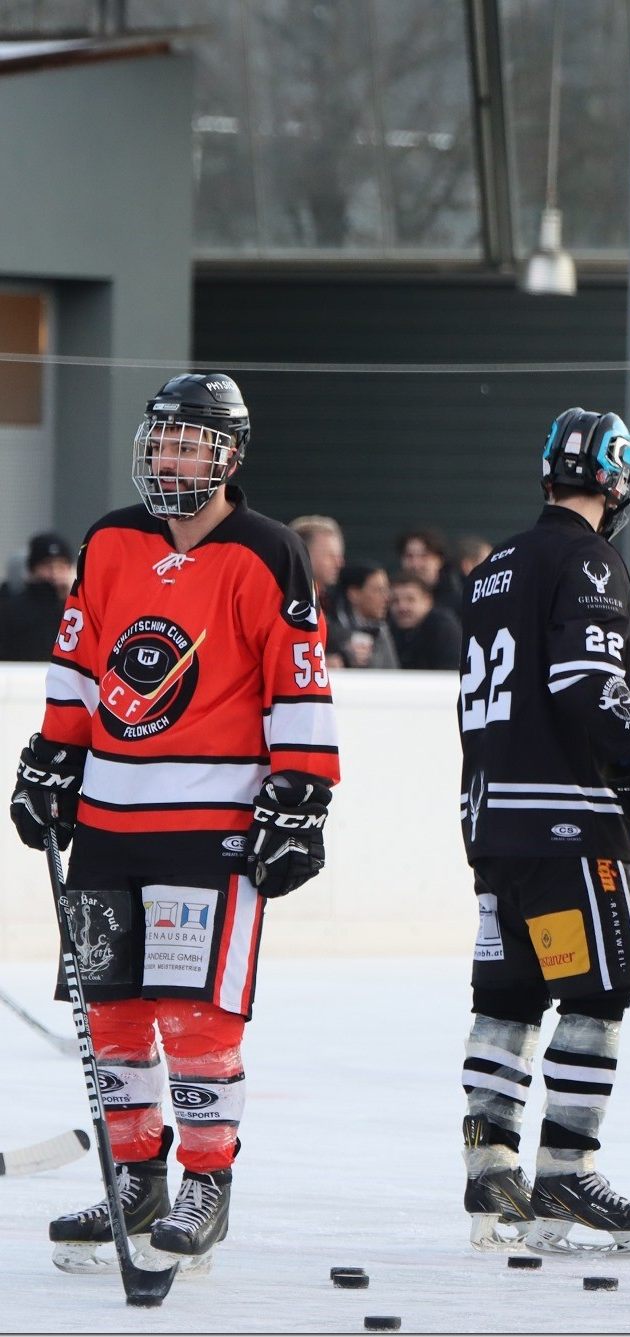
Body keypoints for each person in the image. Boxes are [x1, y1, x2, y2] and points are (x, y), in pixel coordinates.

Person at [9, 373, 339, 1276]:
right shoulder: (111, 539)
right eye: (160, 441)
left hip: (211, 827)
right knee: (109, 1013)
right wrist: (52, 760)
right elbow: (78, 664)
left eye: (187, 442)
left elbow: (298, 684)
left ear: (228, 457)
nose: (168, 457)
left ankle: (206, 1181)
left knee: (196, 1018)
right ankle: (134, 1175)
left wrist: (301, 798)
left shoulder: (268, 552)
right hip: (110, 824)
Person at [457, 406, 630, 1258]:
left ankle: (490, 1164)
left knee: (509, 994)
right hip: (565, 824)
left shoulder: (491, 566)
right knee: (598, 990)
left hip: (493, 823)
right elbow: (588, 682)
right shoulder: (588, 557)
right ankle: (563, 1172)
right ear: (617, 479)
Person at [0, 532, 76, 661]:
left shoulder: (78, 607)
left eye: (61, 566)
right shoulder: (10, 609)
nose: (55, 573)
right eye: (47, 566)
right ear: (33, 569)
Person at [291, 515, 348, 666]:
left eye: (339, 556)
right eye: (331, 556)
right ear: (304, 554)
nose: (340, 563)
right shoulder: (286, 604)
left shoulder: (336, 600)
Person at [389, 570, 462, 670]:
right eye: (395, 601)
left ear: (427, 601)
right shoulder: (388, 628)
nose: (402, 607)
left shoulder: (443, 628)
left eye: (410, 600)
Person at [333, 563, 399, 669]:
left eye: (386, 590)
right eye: (378, 590)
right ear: (354, 594)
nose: (386, 598)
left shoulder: (384, 630)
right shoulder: (331, 631)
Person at [397, 526, 461, 613]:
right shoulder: (390, 601)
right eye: (409, 556)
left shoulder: (458, 600)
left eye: (424, 556)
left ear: (439, 560)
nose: (415, 564)